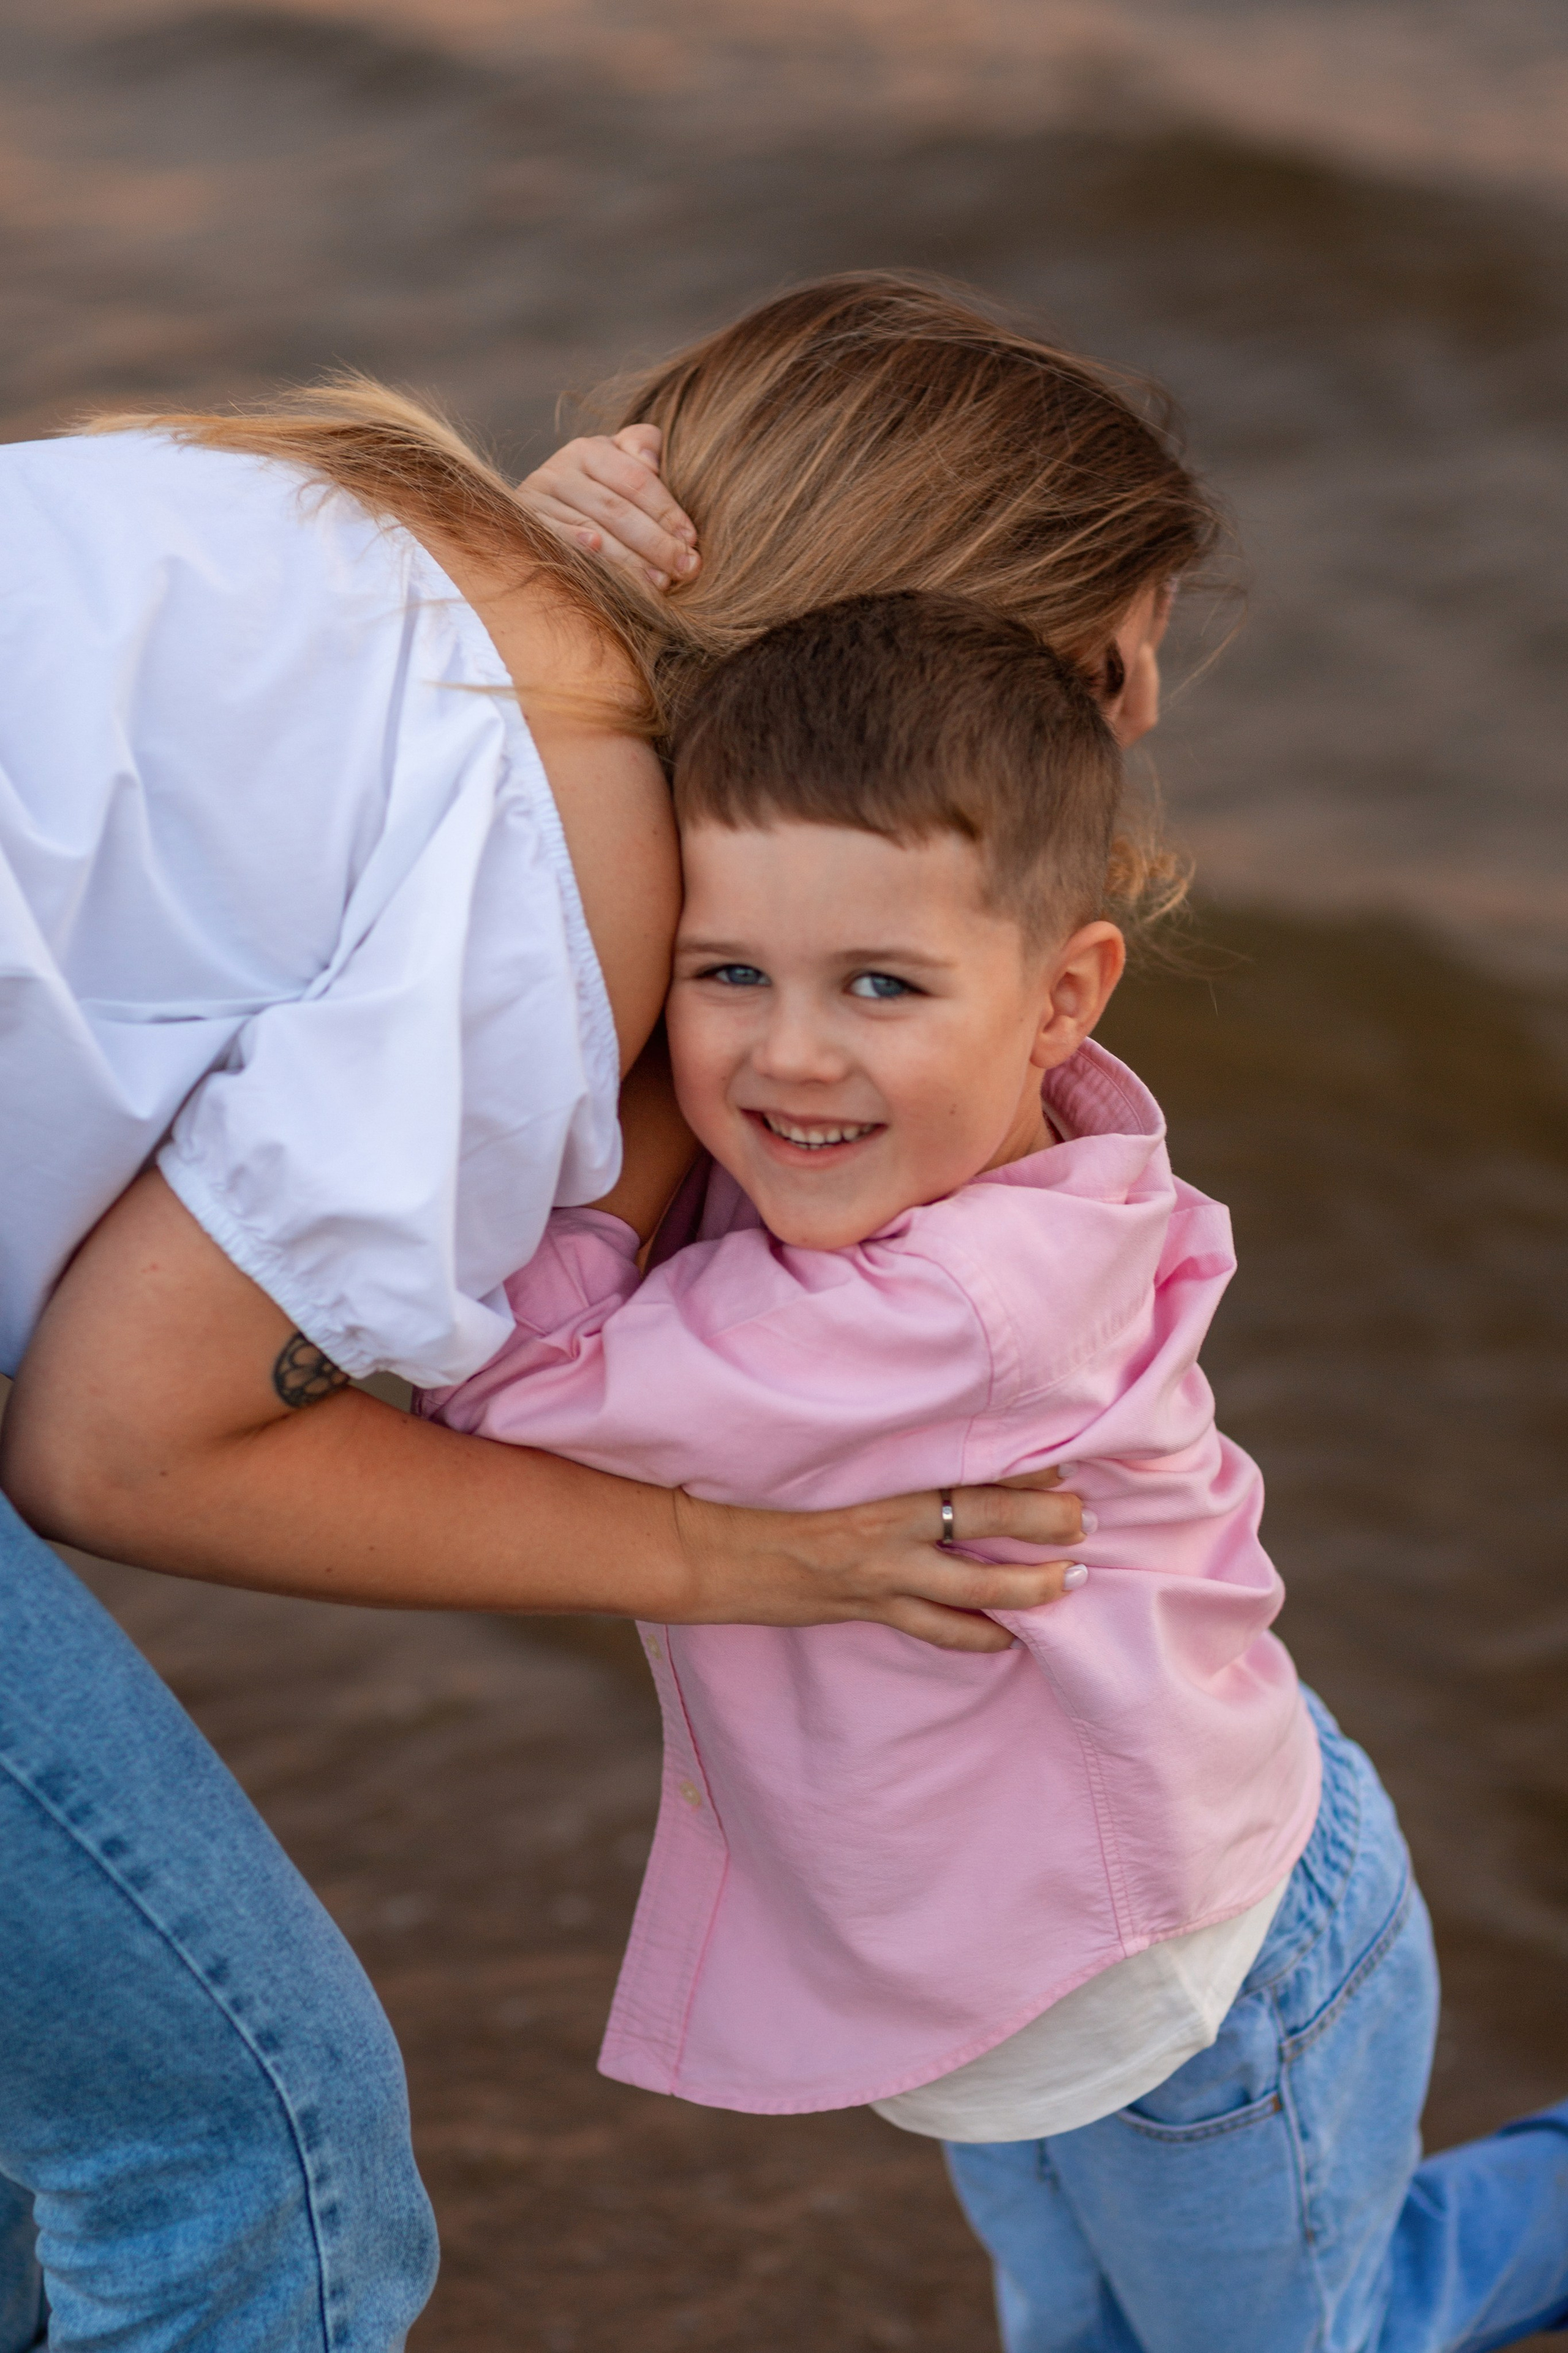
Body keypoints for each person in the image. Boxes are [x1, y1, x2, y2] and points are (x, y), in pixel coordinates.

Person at [0, 276, 1210, 2349]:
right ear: (924, 664)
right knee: (251, 2170)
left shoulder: (342, 511)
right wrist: (748, 1555)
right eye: (1109, 667)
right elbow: (119, 1443)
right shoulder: (553, 840)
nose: (1147, 724)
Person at [426, 593, 1568, 2353]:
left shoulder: (947, 1298)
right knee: (1079, 2327)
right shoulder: (922, 1169)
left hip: (1196, 1973)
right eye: (723, 972)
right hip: (1034, 1962)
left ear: (1064, 994)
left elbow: (504, 1390)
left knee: (1338, 2327)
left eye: (879, 983)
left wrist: (634, 1101)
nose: (791, 1053)